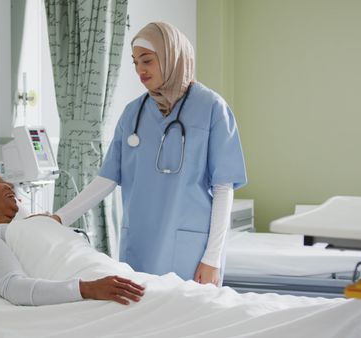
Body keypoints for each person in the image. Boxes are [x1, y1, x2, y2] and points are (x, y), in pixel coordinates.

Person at [51, 22, 246, 286]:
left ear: (171, 57)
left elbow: (223, 188)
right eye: (135, 62)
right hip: (140, 245)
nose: (140, 70)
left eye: (147, 61)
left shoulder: (212, 108)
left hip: (190, 248)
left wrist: (212, 258)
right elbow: (107, 179)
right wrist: (59, 218)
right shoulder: (133, 113)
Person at [0, 163, 145, 306]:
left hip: (116, 275)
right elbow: (13, 287)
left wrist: (43, 223)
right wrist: (88, 289)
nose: (10, 185)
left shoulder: (27, 224)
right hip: (94, 289)